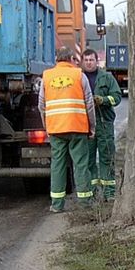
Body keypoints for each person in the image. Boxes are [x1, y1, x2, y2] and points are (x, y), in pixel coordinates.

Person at [38, 47, 96, 213]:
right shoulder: (79, 75)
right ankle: (85, 203)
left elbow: (41, 105)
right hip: (78, 128)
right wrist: (92, 127)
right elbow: (89, 103)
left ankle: (57, 204)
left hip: (56, 128)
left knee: (58, 165)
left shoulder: (47, 76)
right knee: (80, 165)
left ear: (57, 59)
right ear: (71, 58)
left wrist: (47, 126)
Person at [81, 48, 122, 202]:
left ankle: (109, 193)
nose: (89, 63)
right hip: (86, 125)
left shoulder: (106, 78)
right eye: (86, 60)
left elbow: (117, 97)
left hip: (104, 123)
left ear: (96, 61)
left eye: (91, 60)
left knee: (107, 157)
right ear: (82, 62)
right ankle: (91, 193)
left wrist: (103, 100)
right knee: (89, 160)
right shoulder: (79, 78)